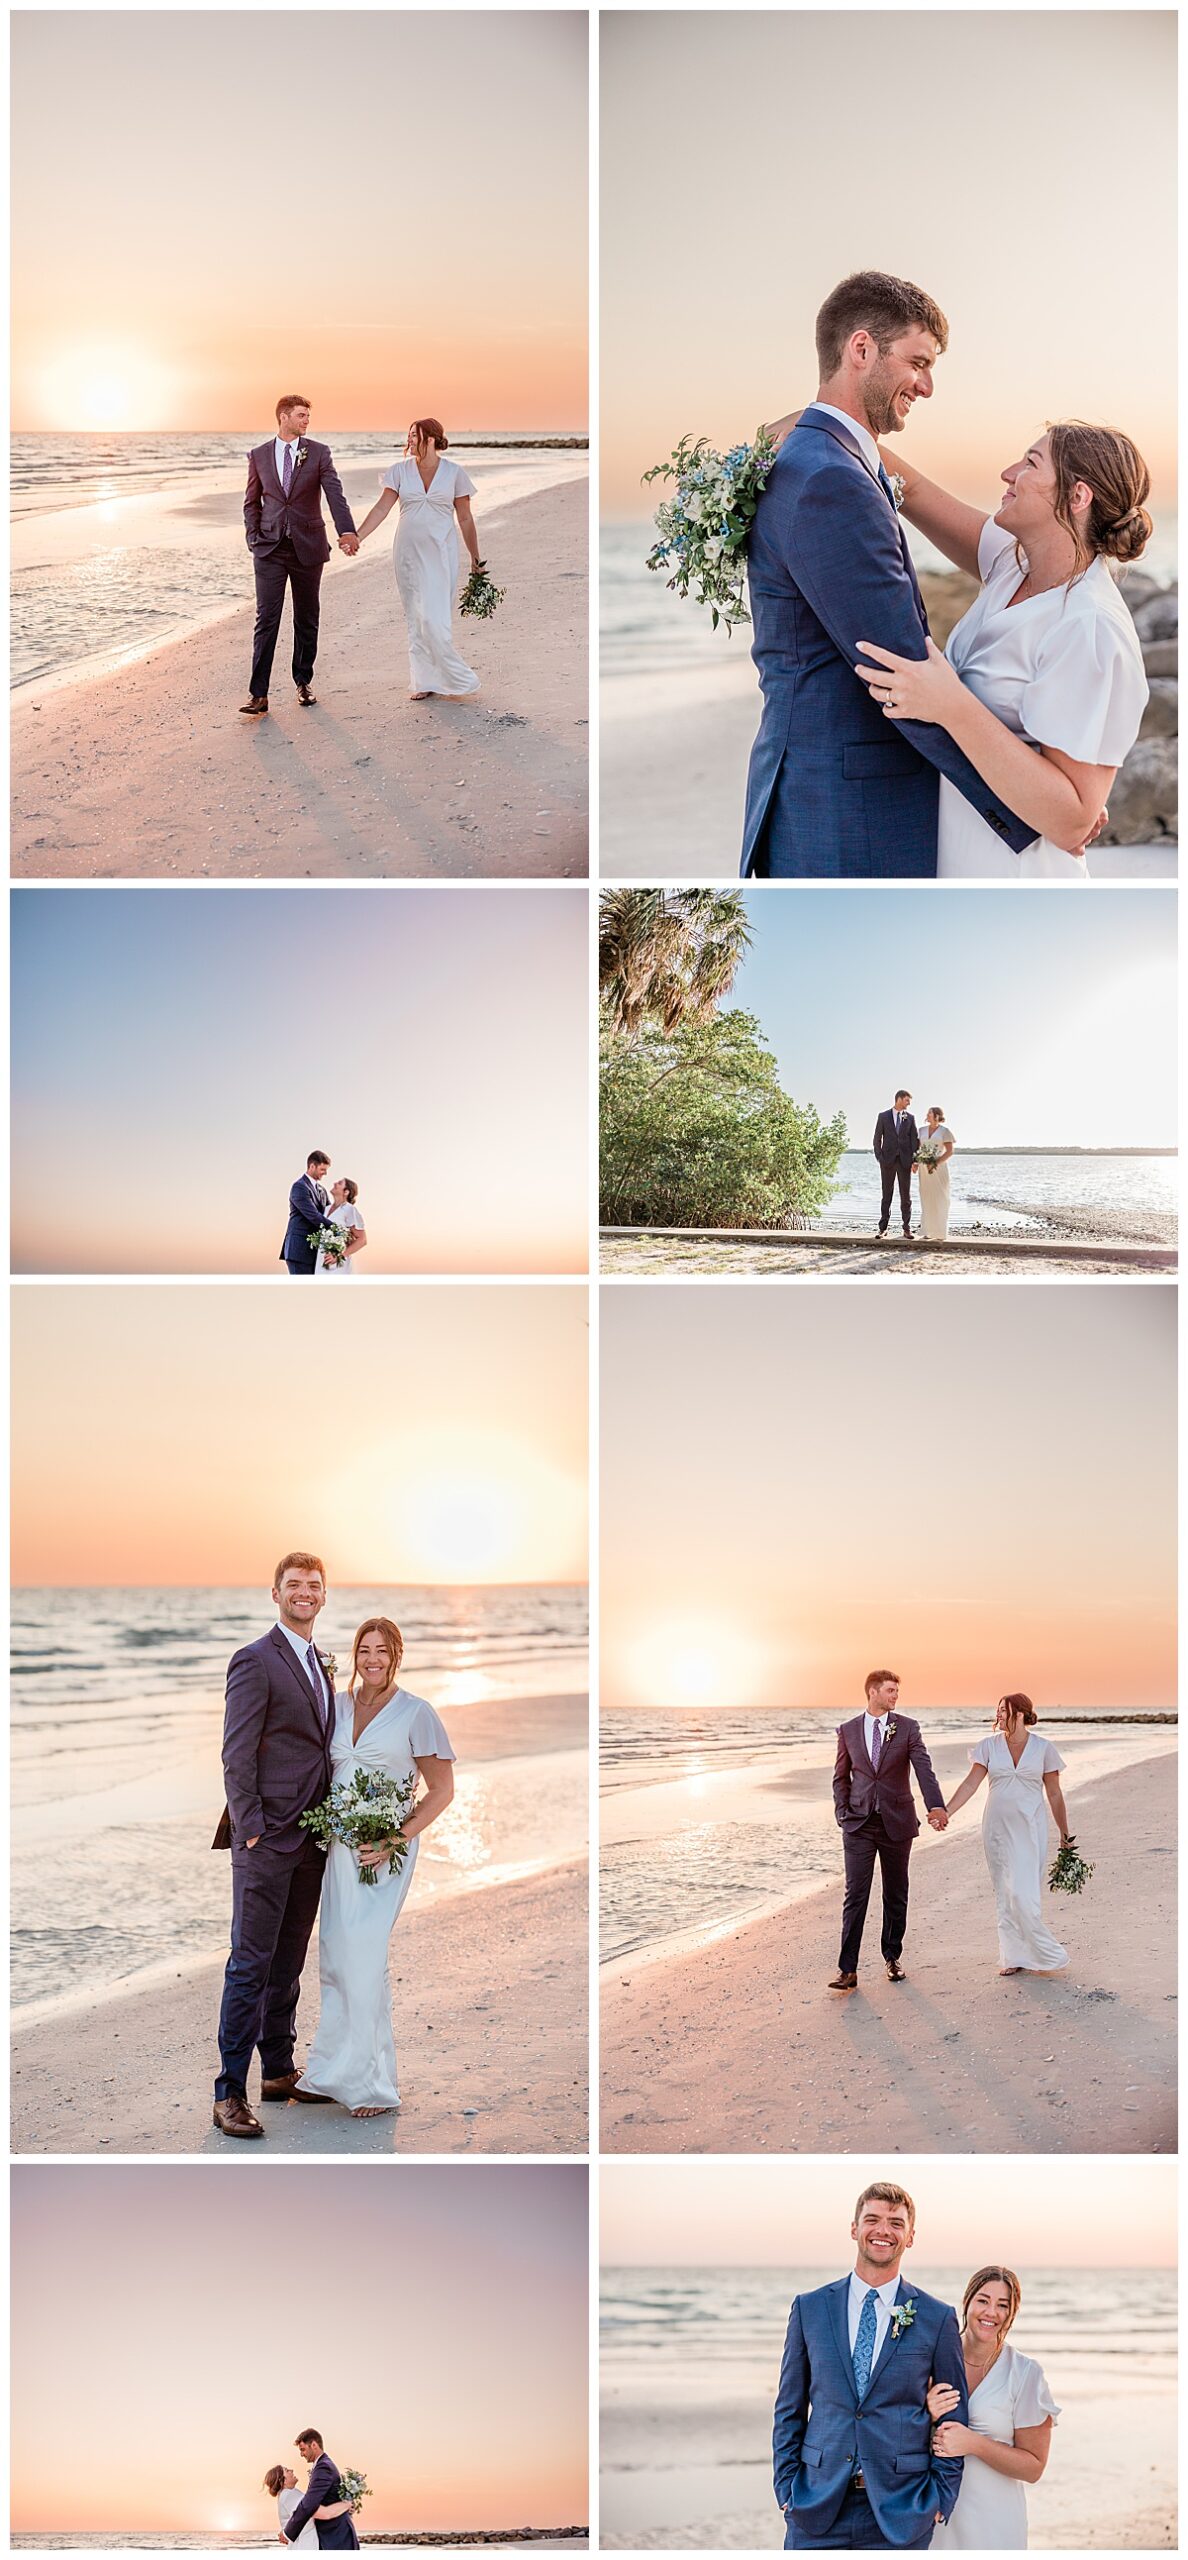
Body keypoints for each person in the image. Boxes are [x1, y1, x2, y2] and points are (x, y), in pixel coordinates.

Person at [740, 273, 1037, 877]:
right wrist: (1029, 800)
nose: (927, 386)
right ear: (861, 349)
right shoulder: (831, 479)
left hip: (818, 785)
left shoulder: (824, 458)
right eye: (918, 363)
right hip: (851, 809)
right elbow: (898, 667)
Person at [854, 423, 1151, 880]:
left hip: (1018, 874)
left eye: (1030, 463)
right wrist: (815, 423)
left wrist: (951, 705)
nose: (1007, 473)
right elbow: (906, 486)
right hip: (956, 855)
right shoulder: (1011, 564)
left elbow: (1072, 819)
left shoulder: (1089, 627)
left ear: (1078, 497)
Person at [296, 1616, 455, 2117]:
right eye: (364, 1650)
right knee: (337, 1956)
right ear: (355, 1654)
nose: (372, 1659)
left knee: (364, 1957)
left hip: (384, 1853)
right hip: (339, 1850)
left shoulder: (416, 1713)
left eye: (382, 1651)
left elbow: (442, 1791)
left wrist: (394, 1837)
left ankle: (371, 2084)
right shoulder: (337, 1706)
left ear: (397, 1655)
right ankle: (329, 2072)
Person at [211, 1552, 336, 2138]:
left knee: (288, 1964)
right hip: (265, 1838)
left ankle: (279, 2070)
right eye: (294, 1585)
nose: (304, 1593)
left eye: (313, 1585)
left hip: (312, 1838)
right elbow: (236, 1752)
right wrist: (251, 1825)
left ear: (324, 1595)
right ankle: (229, 2092)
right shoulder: (255, 1661)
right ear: (275, 1593)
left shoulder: (319, 1663)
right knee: (250, 1965)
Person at [773, 2178, 968, 2548]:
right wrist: (785, 2487)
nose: (883, 2231)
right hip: (815, 2504)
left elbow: (954, 2414)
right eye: (872, 2219)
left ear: (910, 2236)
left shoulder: (936, 2317)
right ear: (854, 2228)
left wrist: (941, 2496)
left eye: (896, 2223)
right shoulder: (810, 2308)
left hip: (901, 2509)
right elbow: (789, 2407)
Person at [241, 396, 359, 717]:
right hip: (269, 549)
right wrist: (254, 538)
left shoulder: (319, 452)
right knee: (267, 618)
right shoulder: (259, 455)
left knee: (306, 617)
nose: (307, 420)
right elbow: (252, 502)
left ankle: (303, 682)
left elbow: (335, 493)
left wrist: (346, 530)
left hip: (309, 546)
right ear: (284, 417)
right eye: (301, 415)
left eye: (308, 415)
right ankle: (259, 694)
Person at [830, 1671, 948, 1991]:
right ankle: (848, 1970)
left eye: (897, 1690)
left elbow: (924, 1767)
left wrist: (936, 1805)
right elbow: (841, 1778)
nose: (896, 1695)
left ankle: (892, 1957)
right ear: (873, 1692)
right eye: (890, 1690)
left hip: (897, 1823)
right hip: (858, 1825)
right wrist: (842, 1813)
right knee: (856, 1894)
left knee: (895, 1893)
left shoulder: (907, 1727)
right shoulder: (848, 1731)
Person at [354, 418, 485, 699]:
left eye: (416, 435)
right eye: (409, 435)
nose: (410, 439)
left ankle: (454, 677)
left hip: (441, 552)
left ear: (432, 439)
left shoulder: (454, 473)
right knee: (416, 616)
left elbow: (464, 518)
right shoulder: (399, 472)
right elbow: (381, 509)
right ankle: (424, 681)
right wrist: (357, 536)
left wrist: (476, 557)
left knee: (435, 618)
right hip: (408, 554)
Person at [942, 1695, 1073, 1974]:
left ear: (1022, 1715)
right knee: (1005, 1891)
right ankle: (1013, 1957)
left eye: (1005, 1711)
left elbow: (1054, 1793)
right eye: (998, 1710)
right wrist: (946, 1811)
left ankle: (1042, 1953)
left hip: (1030, 1828)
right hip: (996, 1829)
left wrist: (1065, 1832)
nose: (999, 1715)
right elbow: (969, 1785)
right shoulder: (988, 1747)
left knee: (1023, 1893)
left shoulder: (1043, 1749)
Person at [929, 2267, 1059, 2549]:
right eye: (983, 2300)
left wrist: (974, 2443)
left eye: (1003, 2305)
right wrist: (925, 2412)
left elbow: (1034, 2468)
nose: (991, 2312)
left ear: (1012, 2314)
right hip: (934, 2514)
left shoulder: (1025, 2373)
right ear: (967, 2302)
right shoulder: (931, 2361)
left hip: (995, 2521)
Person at [278, 2434, 359, 2550]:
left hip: (335, 2538)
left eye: (303, 2449)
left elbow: (308, 2506)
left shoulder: (323, 2467)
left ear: (314, 2445)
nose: (301, 2454)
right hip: (333, 2537)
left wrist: (287, 2532)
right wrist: (346, 2505)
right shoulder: (323, 2466)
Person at [873, 1091, 918, 1239]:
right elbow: (877, 1138)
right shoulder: (883, 1116)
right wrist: (879, 1157)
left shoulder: (910, 1118)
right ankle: (883, 1228)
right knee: (887, 1194)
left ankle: (906, 1228)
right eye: (906, 1100)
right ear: (898, 1099)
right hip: (887, 1161)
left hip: (905, 1161)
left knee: (906, 1196)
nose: (908, 1103)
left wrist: (914, 1159)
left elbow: (914, 1140)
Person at [264, 2464, 339, 2550]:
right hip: (308, 2544)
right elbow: (311, 2511)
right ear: (283, 2481)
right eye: (287, 2470)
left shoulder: (288, 2494)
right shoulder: (288, 2494)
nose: (291, 2470)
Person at [281, 1153, 333, 1277]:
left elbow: (330, 1213)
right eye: (322, 1169)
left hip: (314, 1252)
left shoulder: (322, 1190)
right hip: (299, 1250)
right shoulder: (299, 1187)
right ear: (312, 1166)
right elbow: (313, 1216)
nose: (325, 1173)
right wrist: (337, 1229)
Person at [915, 1109, 956, 1243]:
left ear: (937, 1115)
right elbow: (918, 1149)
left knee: (941, 1197)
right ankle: (928, 1231)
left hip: (939, 1168)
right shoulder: (921, 1130)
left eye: (930, 1113)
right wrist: (915, 1162)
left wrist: (935, 1162)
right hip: (924, 1168)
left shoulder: (945, 1131)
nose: (927, 1115)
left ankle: (940, 1231)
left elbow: (950, 1152)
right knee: (926, 1197)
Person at [315, 1177, 367, 1276]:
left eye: (339, 1183)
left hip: (339, 1267)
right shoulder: (325, 1209)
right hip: (321, 1261)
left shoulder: (349, 1210)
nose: (335, 1183)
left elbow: (362, 1240)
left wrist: (339, 1256)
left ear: (346, 1192)